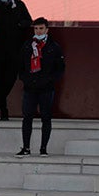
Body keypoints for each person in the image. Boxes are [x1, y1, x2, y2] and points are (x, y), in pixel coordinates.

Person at [16, 17, 65, 157]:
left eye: (41, 28)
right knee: (27, 118)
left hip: (46, 88)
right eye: (36, 28)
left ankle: (43, 148)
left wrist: (49, 80)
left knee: (46, 117)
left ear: (47, 30)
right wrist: (25, 79)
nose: (38, 31)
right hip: (29, 87)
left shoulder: (54, 47)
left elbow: (60, 68)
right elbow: (20, 65)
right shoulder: (27, 45)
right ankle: (26, 148)